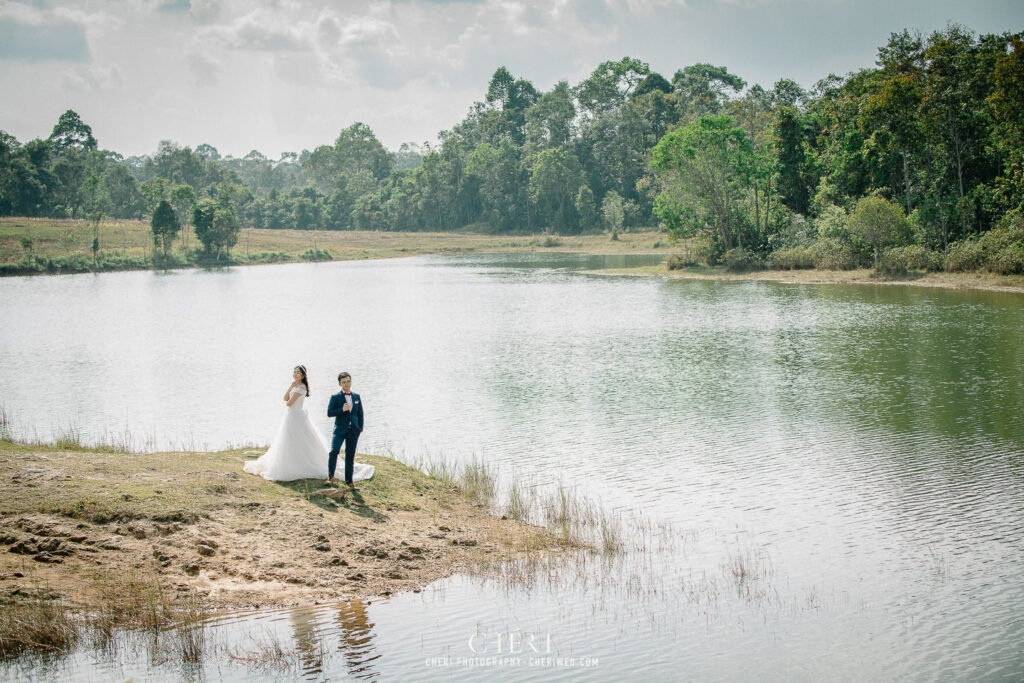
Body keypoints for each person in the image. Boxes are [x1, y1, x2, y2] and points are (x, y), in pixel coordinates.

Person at [243, 365, 329, 481]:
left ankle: (299, 464)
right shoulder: (296, 386)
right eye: (295, 372)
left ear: (303, 375)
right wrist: (290, 386)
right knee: (288, 439)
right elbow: (285, 398)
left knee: (298, 440)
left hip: (296, 416)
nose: (296, 374)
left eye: (298, 372)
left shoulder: (302, 387)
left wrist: (291, 392)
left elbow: (289, 403)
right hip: (291, 415)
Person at [327, 371, 373, 487]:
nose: (347, 384)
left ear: (351, 382)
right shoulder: (335, 397)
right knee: (334, 451)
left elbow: (360, 414)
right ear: (339, 384)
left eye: (348, 381)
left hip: (354, 430)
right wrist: (341, 410)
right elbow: (329, 413)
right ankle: (330, 477)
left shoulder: (356, 396)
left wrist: (359, 428)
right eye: (344, 382)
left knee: (350, 455)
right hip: (340, 430)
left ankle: (349, 481)